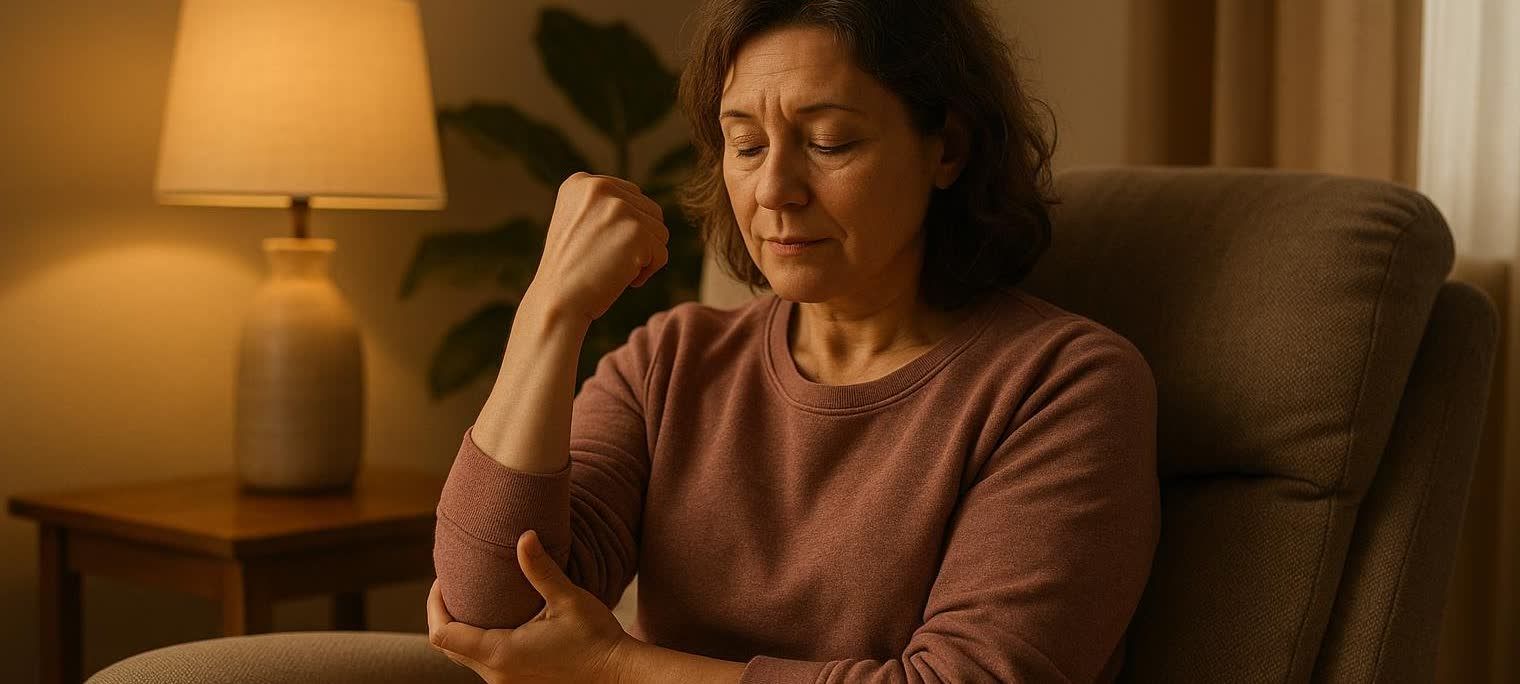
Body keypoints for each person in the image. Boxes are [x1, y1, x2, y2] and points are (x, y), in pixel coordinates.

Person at [425, 0, 1160, 681]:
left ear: (948, 149)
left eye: (828, 140)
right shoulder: (671, 361)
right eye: (744, 145)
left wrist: (618, 668)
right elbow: (491, 616)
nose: (775, 187)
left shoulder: (1064, 385)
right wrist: (550, 313)